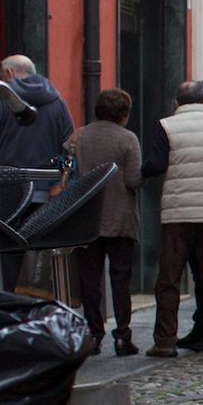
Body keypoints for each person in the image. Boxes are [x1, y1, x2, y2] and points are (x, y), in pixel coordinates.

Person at [142, 80, 203, 357]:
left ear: (177, 103)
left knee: (169, 280)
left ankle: (165, 341)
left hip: (178, 214)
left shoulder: (166, 126)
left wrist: (140, 172)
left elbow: (157, 164)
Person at [69, 87, 143, 355]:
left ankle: (93, 334)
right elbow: (134, 179)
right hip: (120, 217)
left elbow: (67, 158)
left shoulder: (81, 135)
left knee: (89, 278)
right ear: (123, 114)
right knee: (120, 279)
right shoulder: (128, 139)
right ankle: (122, 336)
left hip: (87, 218)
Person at [0, 54, 75, 290]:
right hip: (45, 191)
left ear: (8, 73)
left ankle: (6, 307)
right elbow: (69, 144)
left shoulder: (1, 95)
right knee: (40, 253)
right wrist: (60, 182)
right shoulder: (57, 100)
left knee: (6, 254)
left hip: (5, 190)